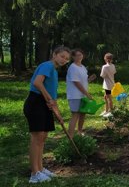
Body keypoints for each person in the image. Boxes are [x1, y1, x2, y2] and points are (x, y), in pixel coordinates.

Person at [23, 46, 70, 183]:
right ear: (54, 55)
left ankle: (40, 168)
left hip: (45, 103)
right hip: (36, 103)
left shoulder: (54, 71)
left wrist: (58, 113)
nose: (64, 60)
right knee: (36, 138)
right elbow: (37, 83)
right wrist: (48, 98)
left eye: (67, 59)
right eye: (62, 56)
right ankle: (34, 173)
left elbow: (52, 97)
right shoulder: (47, 65)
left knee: (42, 138)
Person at [67, 49, 96, 138]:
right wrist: (87, 94)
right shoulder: (72, 67)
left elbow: (83, 81)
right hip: (75, 95)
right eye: (77, 55)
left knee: (83, 114)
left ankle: (80, 132)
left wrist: (89, 79)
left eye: (81, 55)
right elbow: (76, 83)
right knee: (75, 115)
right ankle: (70, 137)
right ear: (73, 57)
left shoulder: (82, 67)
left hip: (83, 95)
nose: (80, 56)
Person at [100, 53, 116, 118]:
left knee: (109, 98)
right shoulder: (113, 66)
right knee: (105, 97)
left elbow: (102, 75)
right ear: (112, 59)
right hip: (111, 83)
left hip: (107, 85)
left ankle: (111, 112)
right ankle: (106, 110)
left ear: (105, 59)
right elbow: (114, 72)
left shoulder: (104, 67)